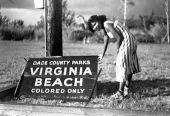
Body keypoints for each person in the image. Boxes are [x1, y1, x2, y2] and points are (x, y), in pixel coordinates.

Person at [88, 15, 141, 99]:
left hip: (126, 41)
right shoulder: (105, 28)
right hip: (131, 40)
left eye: (94, 24)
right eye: (93, 27)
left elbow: (119, 37)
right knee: (129, 65)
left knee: (121, 64)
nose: (95, 27)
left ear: (98, 19)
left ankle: (120, 93)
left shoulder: (106, 24)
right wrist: (102, 54)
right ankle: (126, 90)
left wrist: (118, 53)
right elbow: (106, 40)